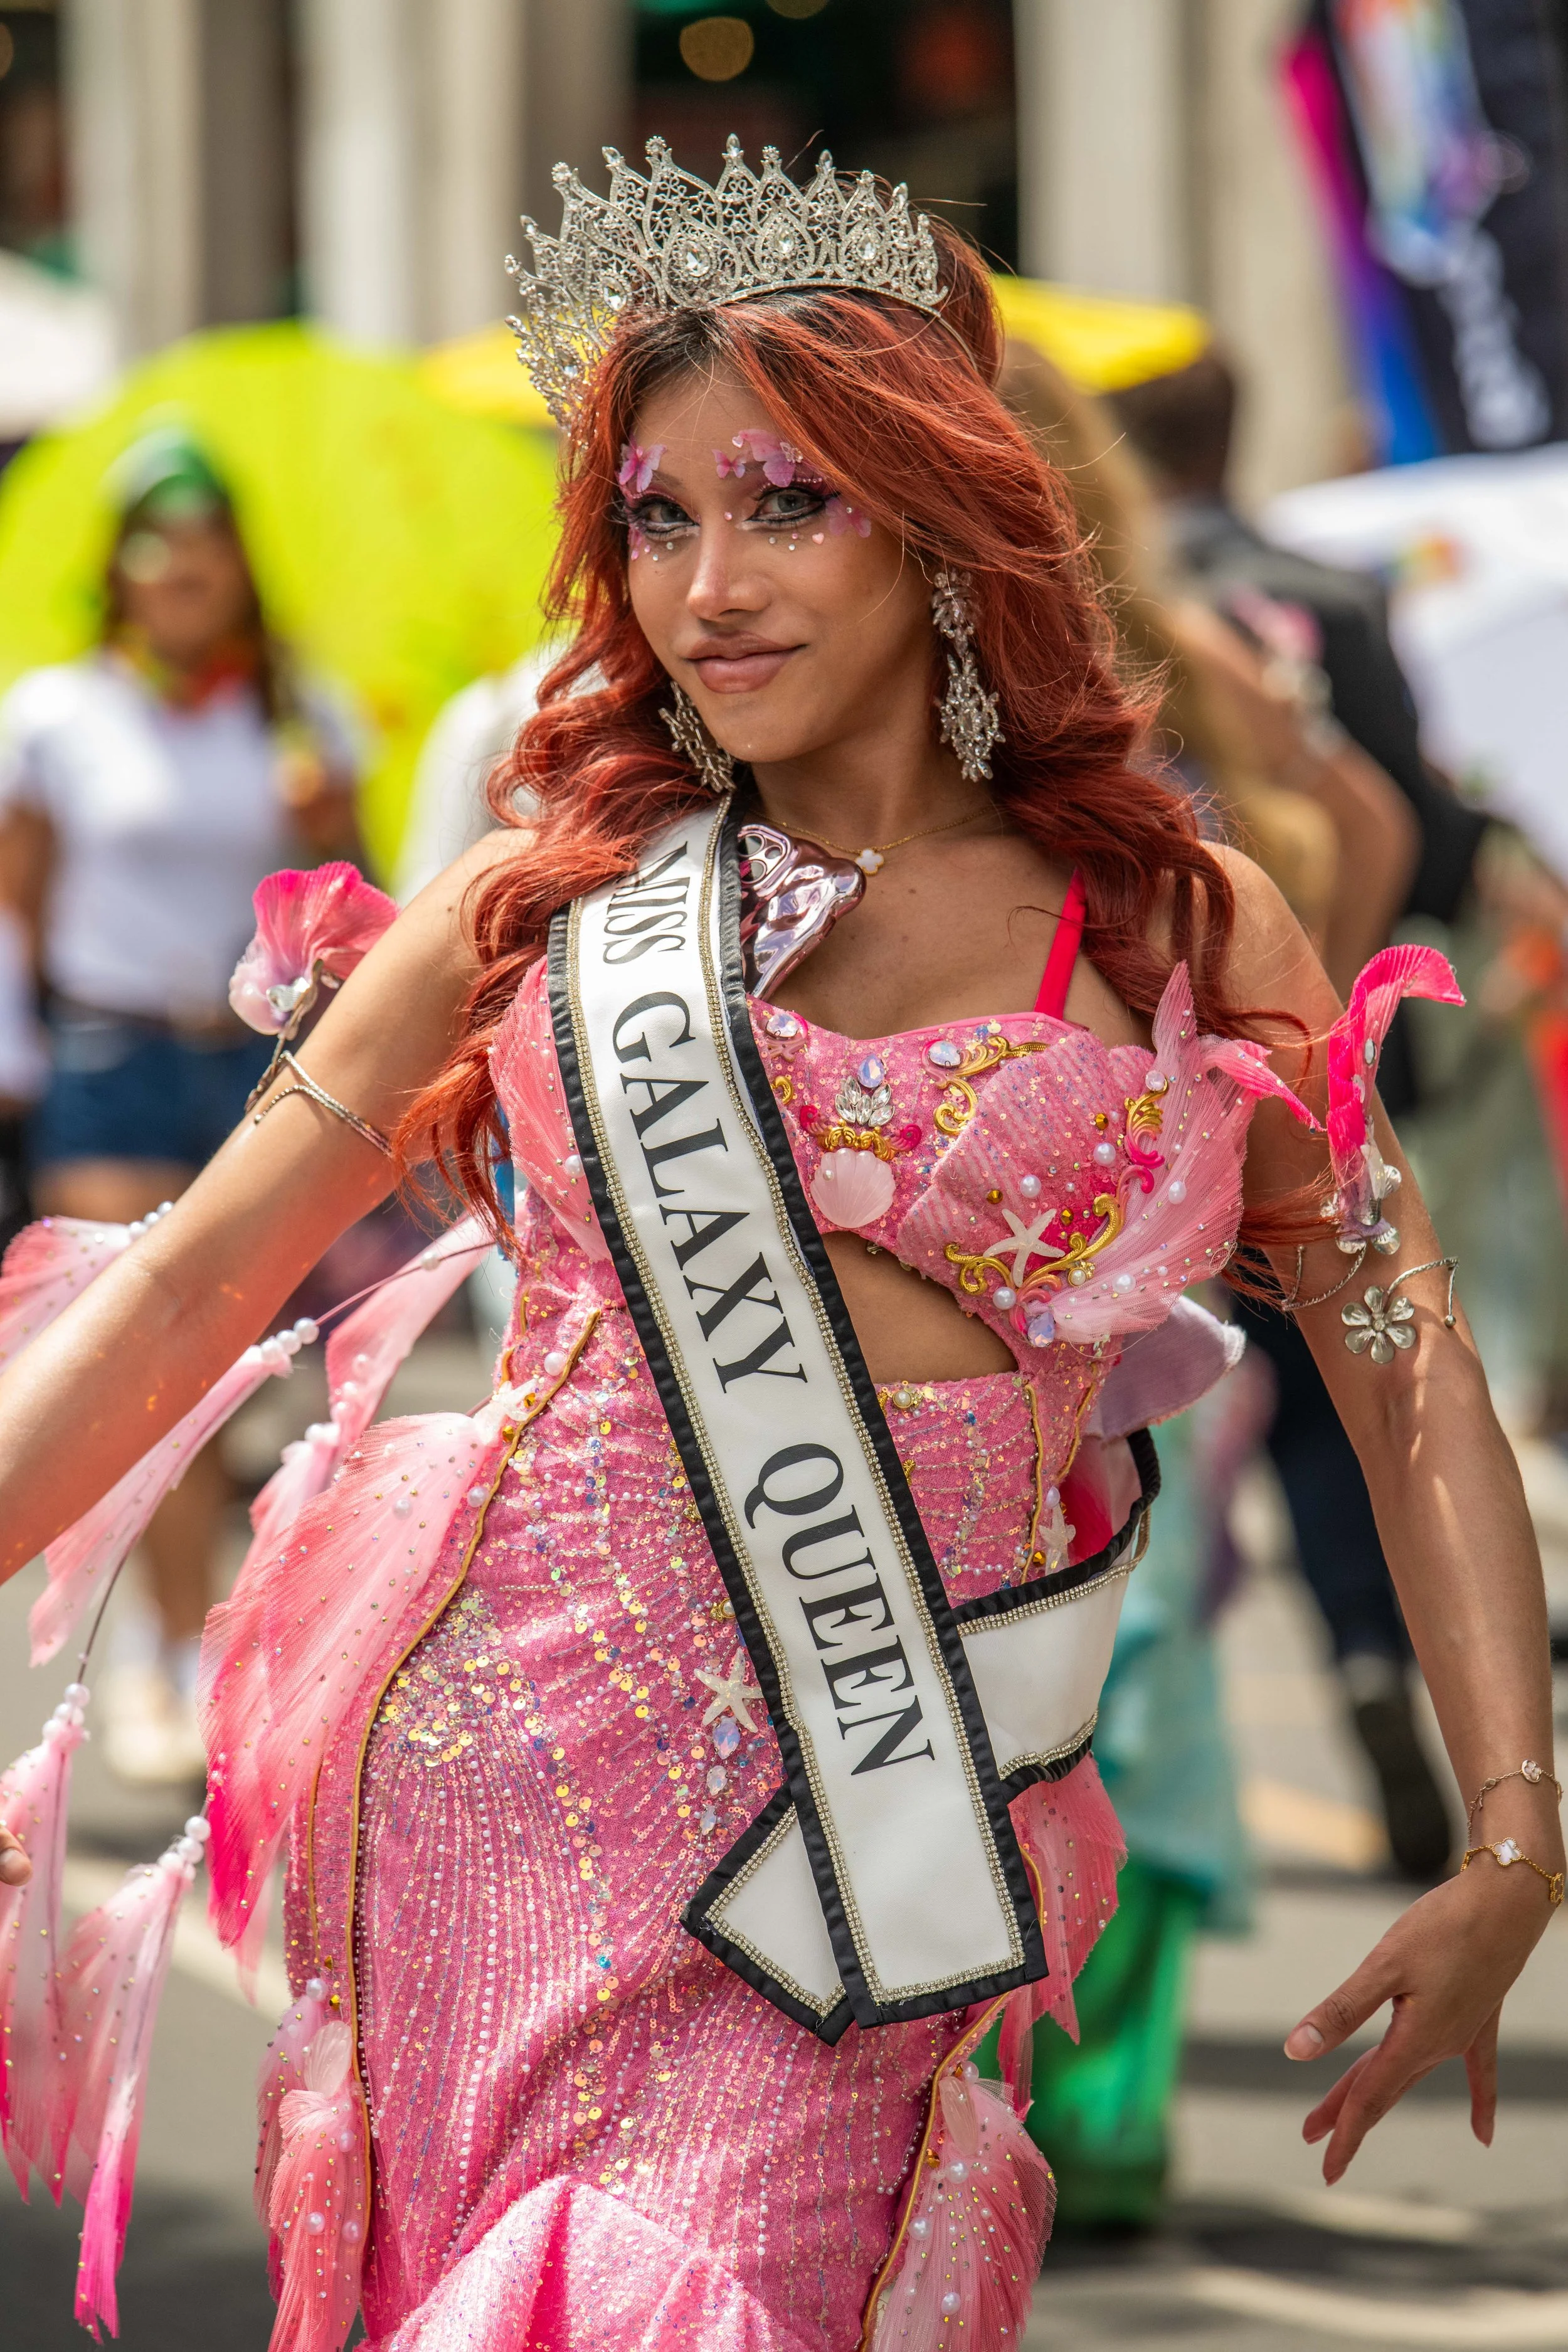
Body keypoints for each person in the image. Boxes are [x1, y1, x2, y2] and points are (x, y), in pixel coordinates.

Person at [0, 146, 1558, 2352]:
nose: (707, 585)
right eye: (659, 515)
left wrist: (1515, 1833)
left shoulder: (1176, 927)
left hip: (865, 1850)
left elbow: (1402, 1363)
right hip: (493, 1787)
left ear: (939, 519)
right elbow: (185, 1282)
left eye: (787, 503)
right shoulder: (543, 910)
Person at [1110, 346, 1486, 1878]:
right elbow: (1407, 822)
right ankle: (1360, 1653)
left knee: (1157, 1438)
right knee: (1349, 1393)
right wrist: (1309, 999)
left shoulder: (1104, 621)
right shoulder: (1312, 598)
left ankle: (1132, 1783)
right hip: (1295, 1071)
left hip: (1127, 1109)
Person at [0, 426, 359, 1783]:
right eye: (156, 540)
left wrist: (329, 823)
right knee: (147, 1367)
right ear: (122, 571)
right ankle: (153, 1656)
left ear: (235, 565)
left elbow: (355, 917)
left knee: (232, 1387)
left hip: (258, 1078)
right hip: (106, 1060)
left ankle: (200, 1633)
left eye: (204, 537)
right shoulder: (55, 715)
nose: (181, 564)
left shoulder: (297, 715)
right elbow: (12, 901)